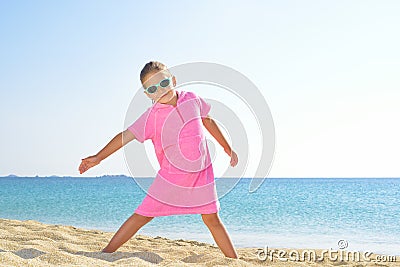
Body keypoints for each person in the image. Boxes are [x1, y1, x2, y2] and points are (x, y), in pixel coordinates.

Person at [78, 61, 239, 259]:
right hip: (171, 177)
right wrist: (98, 157)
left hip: (201, 175)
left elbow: (208, 121)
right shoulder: (150, 117)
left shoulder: (192, 99)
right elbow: (125, 136)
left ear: (173, 80)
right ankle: (105, 253)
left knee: (212, 218)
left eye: (163, 83)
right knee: (143, 215)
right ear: (147, 94)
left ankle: (234, 261)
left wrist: (226, 147)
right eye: (152, 88)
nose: (160, 90)